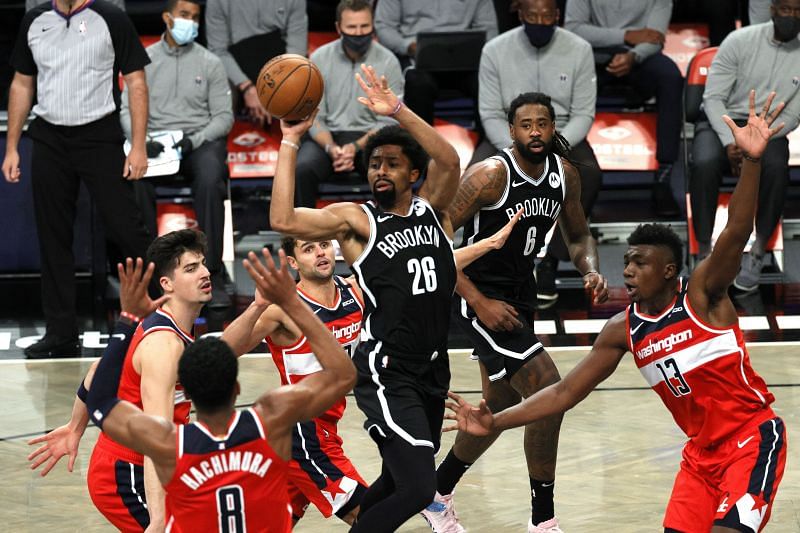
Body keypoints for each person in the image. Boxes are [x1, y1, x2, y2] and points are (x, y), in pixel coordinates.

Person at [446, 91, 788, 533]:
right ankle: (505, 509)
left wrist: (754, 162)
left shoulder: (704, 295)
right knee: (527, 387)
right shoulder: (621, 330)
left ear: (669, 271)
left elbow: (736, 231)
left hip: (750, 441)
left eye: (639, 263)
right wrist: (496, 421)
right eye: (624, 261)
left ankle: (504, 510)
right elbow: (563, 393)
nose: (626, 270)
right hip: (699, 457)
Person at [269, 64, 521, 531]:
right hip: (388, 371)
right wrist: (289, 140)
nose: (379, 171)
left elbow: (448, 159)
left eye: (391, 164)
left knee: (394, 481)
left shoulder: (435, 212)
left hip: (432, 367)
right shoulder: (357, 221)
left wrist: (399, 111)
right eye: (374, 164)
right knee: (421, 490)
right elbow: (283, 219)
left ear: (414, 174)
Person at [420, 91, 608, 533]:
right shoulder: (489, 176)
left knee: (501, 402)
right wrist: (478, 302)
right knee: (547, 392)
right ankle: (543, 521)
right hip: (478, 294)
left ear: (554, 128)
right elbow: (432, 241)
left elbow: (579, 236)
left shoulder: (565, 176)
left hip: (521, 294)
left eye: (543, 124)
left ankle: (436, 491)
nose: (536, 132)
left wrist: (590, 269)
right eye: (526, 125)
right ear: (511, 130)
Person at [83, 247, 356, 532]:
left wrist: (127, 319)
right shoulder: (271, 423)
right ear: (237, 388)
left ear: (189, 392)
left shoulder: (170, 445)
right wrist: (293, 303)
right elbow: (342, 375)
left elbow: (99, 399)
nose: (204, 272)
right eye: (192, 268)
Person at [27, 229, 211, 532]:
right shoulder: (164, 346)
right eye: (191, 269)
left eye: (203, 264)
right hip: (128, 472)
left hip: (147, 463)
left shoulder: (170, 324)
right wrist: (160, 519)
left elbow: (100, 368)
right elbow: (155, 437)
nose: (204, 273)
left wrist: (75, 427)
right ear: (166, 284)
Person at [3, 0, 152, 358]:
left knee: (127, 228)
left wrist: (139, 146)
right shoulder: (35, 20)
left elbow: (136, 82)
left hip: (99, 135)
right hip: (50, 136)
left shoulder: (111, 18)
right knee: (53, 236)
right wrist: (12, 146)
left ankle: (164, 315)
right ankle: (61, 332)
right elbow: (22, 84)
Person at [221, 236, 369, 526]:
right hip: (302, 433)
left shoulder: (354, 291)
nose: (320, 253)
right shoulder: (282, 309)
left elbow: (433, 266)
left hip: (326, 426)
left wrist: (484, 246)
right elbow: (221, 353)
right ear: (293, 262)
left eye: (324, 245)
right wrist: (256, 307)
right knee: (370, 516)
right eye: (308, 249)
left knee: (270, 524)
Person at [475, 0, 602, 305]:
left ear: (557, 16)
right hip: (507, 136)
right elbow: (490, 112)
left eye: (547, 16)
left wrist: (551, 146)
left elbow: (584, 112)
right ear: (520, 14)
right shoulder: (494, 49)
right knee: (478, 174)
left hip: (562, 135)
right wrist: (515, 150)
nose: (540, 21)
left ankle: (549, 263)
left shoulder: (580, 48)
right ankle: (484, 263)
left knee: (589, 173)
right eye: (532, 16)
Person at [121, 0, 235, 308]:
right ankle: (152, 275)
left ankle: (211, 271)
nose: (192, 23)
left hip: (196, 141)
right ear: (167, 18)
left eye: (196, 17)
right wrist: (140, 140)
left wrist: (194, 140)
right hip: (154, 141)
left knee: (212, 176)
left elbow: (224, 117)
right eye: (185, 16)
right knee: (135, 176)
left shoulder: (210, 62)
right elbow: (125, 110)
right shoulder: (143, 59)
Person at [690, 0, 800, 291]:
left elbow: (793, 113)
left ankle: (759, 250)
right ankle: (703, 249)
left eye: (799, 11)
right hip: (725, 121)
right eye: (787, 10)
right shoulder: (740, 40)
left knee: (777, 164)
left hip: (768, 129)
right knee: (703, 160)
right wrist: (731, 141)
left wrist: (760, 137)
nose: (793, 16)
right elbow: (712, 98)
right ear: (773, 10)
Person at [565, 0, 683, 218]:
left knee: (671, 77)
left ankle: (663, 180)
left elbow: (655, 38)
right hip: (590, 53)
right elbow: (573, 29)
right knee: (565, 73)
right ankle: (569, 175)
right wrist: (626, 35)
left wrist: (633, 55)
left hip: (639, 55)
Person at [295, 0, 404, 208]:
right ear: (338, 28)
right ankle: (303, 237)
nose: (358, 33)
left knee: (392, 168)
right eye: (351, 27)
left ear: (373, 26)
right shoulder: (318, 58)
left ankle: (393, 230)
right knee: (302, 168)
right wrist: (331, 148)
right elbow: (315, 116)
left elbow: (388, 121)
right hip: (328, 137)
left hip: (372, 139)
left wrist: (354, 148)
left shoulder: (389, 61)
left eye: (364, 26)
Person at [374, 0, 498, 124]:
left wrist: (472, 48)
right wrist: (407, 46)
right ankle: (421, 141)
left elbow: (489, 31)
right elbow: (384, 27)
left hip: (467, 63)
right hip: (417, 61)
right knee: (417, 83)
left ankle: (487, 139)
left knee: (487, 79)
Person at [205, 0, 307, 125]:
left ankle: (298, 141)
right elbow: (218, 51)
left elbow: (296, 50)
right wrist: (248, 88)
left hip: (279, 68)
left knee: (306, 82)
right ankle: (219, 141)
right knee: (221, 89)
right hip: (235, 68)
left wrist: (273, 88)